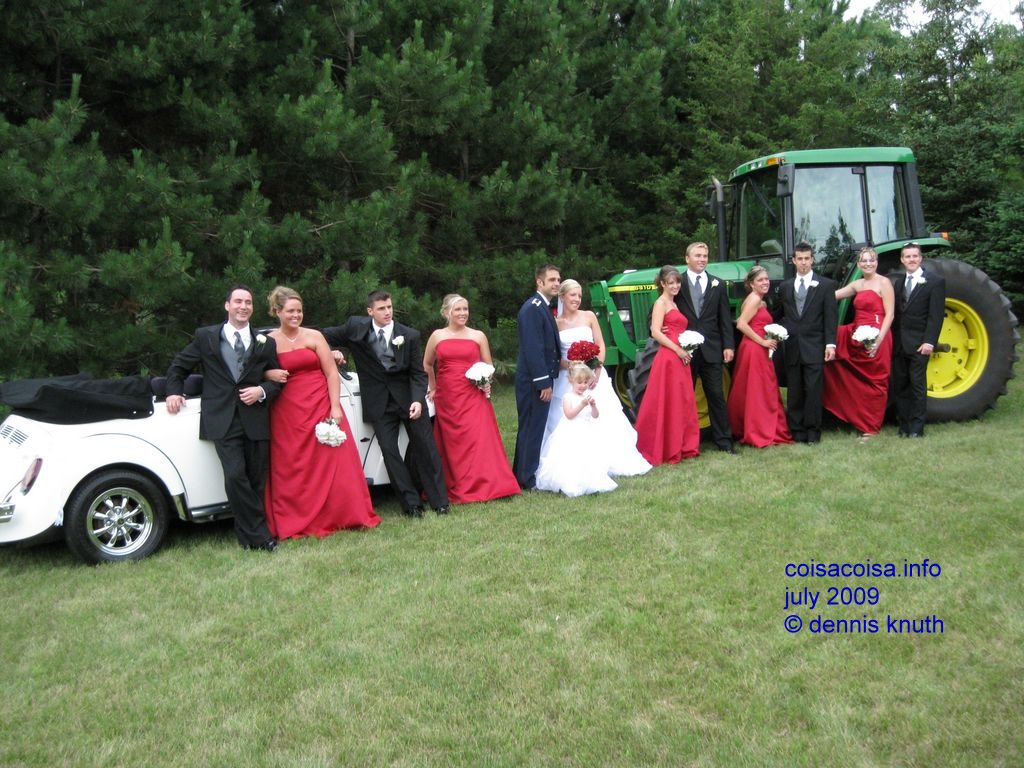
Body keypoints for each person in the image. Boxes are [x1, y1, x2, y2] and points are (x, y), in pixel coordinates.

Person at [164, 285, 283, 551]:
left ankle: (246, 536)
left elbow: (278, 379)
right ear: (227, 305)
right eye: (238, 301)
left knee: (255, 479)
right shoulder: (206, 337)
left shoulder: (266, 342)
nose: (243, 306)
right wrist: (174, 391)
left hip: (255, 418)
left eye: (248, 302)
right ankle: (261, 535)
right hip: (222, 418)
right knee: (235, 475)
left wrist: (262, 390)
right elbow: (179, 367)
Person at [261, 287, 380, 538]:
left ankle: (340, 514)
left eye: (299, 310)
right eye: (290, 311)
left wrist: (335, 406)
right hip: (287, 411)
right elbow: (257, 372)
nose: (296, 315)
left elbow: (330, 372)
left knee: (332, 462)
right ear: (277, 311)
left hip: (320, 404)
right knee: (294, 465)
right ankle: (297, 517)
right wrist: (268, 373)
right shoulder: (268, 341)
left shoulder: (314, 336)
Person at [322, 291, 450, 518]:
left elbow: (418, 374)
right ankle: (411, 505)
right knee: (391, 453)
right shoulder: (355, 328)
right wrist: (331, 351)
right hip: (378, 403)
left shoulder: (408, 335)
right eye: (381, 308)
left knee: (426, 449)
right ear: (370, 311)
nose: (387, 312)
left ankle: (439, 502)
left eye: (389, 307)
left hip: (409, 400)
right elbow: (319, 336)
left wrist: (418, 401)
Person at [543, 279, 650, 477]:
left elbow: (599, 344)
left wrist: (597, 370)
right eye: (573, 295)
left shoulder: (589, 316)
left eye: (579, 295)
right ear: (562, 296)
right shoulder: (555, 323)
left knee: (601, 417)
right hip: (568, 378)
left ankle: (605, 460)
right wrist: (570, 365)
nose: (577, 299)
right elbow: (554, 356)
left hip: (592, 375)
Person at [422, 294, 521, 504]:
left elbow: (488, 365)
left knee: (478, 438)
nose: (462, 313)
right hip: (448, 395)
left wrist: (485, 380)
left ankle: (485, 483)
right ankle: (455, 483)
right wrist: (433, 386)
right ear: (447, 312)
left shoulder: (478, 336)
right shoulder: (437, 336)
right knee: (452, 441)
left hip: (473, 394)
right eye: (458, 309)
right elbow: (427, 364)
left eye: (465, 309)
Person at [823, 248, 896, 438]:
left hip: (877, 336)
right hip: (856, 333)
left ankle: (871, 428)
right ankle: (848, 411)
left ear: (877, 262)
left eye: (871, 260)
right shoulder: (858, 284)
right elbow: (833, 296)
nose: (868, 264)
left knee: (875, 380)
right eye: (864, 261)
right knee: (826, 341)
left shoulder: (884, 283)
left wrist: (878, 340)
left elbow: (890, 314)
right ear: (858, 264)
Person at [633, 266, 701, 465]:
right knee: (667, 400)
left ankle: (682, 443)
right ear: (662, 283)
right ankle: (665, 445)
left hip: (681, 357)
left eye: (677, 282)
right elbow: (655, 331)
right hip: (670, 357)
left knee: (681, 400)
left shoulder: (675, 302)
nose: (675, 286)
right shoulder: (661, 303)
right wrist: (678, 350)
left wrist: (686, 348)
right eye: (670, 283)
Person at [673, 242, 736, 453]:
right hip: (685, 352)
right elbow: (662, 312)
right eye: (697, 255)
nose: (702, 259)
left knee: (716, 396)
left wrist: (728, 345)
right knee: (685, 397)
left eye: (705, 256)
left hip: (712, 349)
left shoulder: (717, 284)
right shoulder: (676, 283)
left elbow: (724, 319)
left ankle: (725, 442)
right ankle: (684, 443)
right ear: (687, 258)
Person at [778, 241, 837, 444]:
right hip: (793, 346)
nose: (803, 263)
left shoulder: (826, 285)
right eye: (799, 259)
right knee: (794, 390)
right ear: (794, 261)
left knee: (813, 390)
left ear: (813, 260)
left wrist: (831, 344)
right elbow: (779, 316)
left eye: (807, 259)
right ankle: (796, 430)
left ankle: (813, 431)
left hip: (815, 346)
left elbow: (831, 317)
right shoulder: (785, 287)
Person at [727, 266, 793, 447]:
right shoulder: (755, 299)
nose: (765, 282)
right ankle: (760, 429)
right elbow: (741, 324)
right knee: (759, 390)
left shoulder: (758, 300)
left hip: (755, 349)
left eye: (766, 279)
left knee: (758, 389)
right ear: (751, 284)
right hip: (755, 349)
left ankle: (756, 426)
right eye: (760, 280)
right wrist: (763, 342)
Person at [535, 363, 619, 497]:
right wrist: (582, 404)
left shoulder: (586, 398)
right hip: (572, 432)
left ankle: (589, 480)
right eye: (579, 382)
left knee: (587, 456)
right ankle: (570, 481)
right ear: (571, 381)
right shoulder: (568, 397)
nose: (583, 385)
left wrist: (593, 406)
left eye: (586, 382)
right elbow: (569, 414)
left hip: (586, 431)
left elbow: (595, 416)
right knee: (572, 456)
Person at [513, 264, 562, 489]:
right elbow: (533, 348)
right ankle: (526, 477)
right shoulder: (532, 308)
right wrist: (543, 382)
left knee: (533, 427)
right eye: (551, 279)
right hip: (533, 381)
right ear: (539, 282)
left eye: (558, 280)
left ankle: (522, 472)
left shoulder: (543, 306)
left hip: (538, 377)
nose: (556, 283)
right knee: (532, 428)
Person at [891, 241, 946, 437]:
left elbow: (936, 316)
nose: (911, 260)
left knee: (917, 386)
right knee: (901, 387)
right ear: (902, 260)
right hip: (899, 345)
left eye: (915, 256)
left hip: (919, 345)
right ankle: (904, 426)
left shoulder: (934, 282)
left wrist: (929, 341)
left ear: (920, 258)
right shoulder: (898, 283)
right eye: (908, 257)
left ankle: (917, 428)